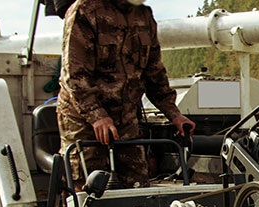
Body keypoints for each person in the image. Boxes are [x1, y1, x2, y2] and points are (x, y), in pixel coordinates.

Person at [57, 0, 195, 189]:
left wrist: (174, 114)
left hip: (125, 118)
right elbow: (74, 74)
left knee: (137, 184)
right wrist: (97, 116)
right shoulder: (86, 11)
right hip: (83, 120)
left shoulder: (144, 16)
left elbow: (154, 73)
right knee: (88, 187)